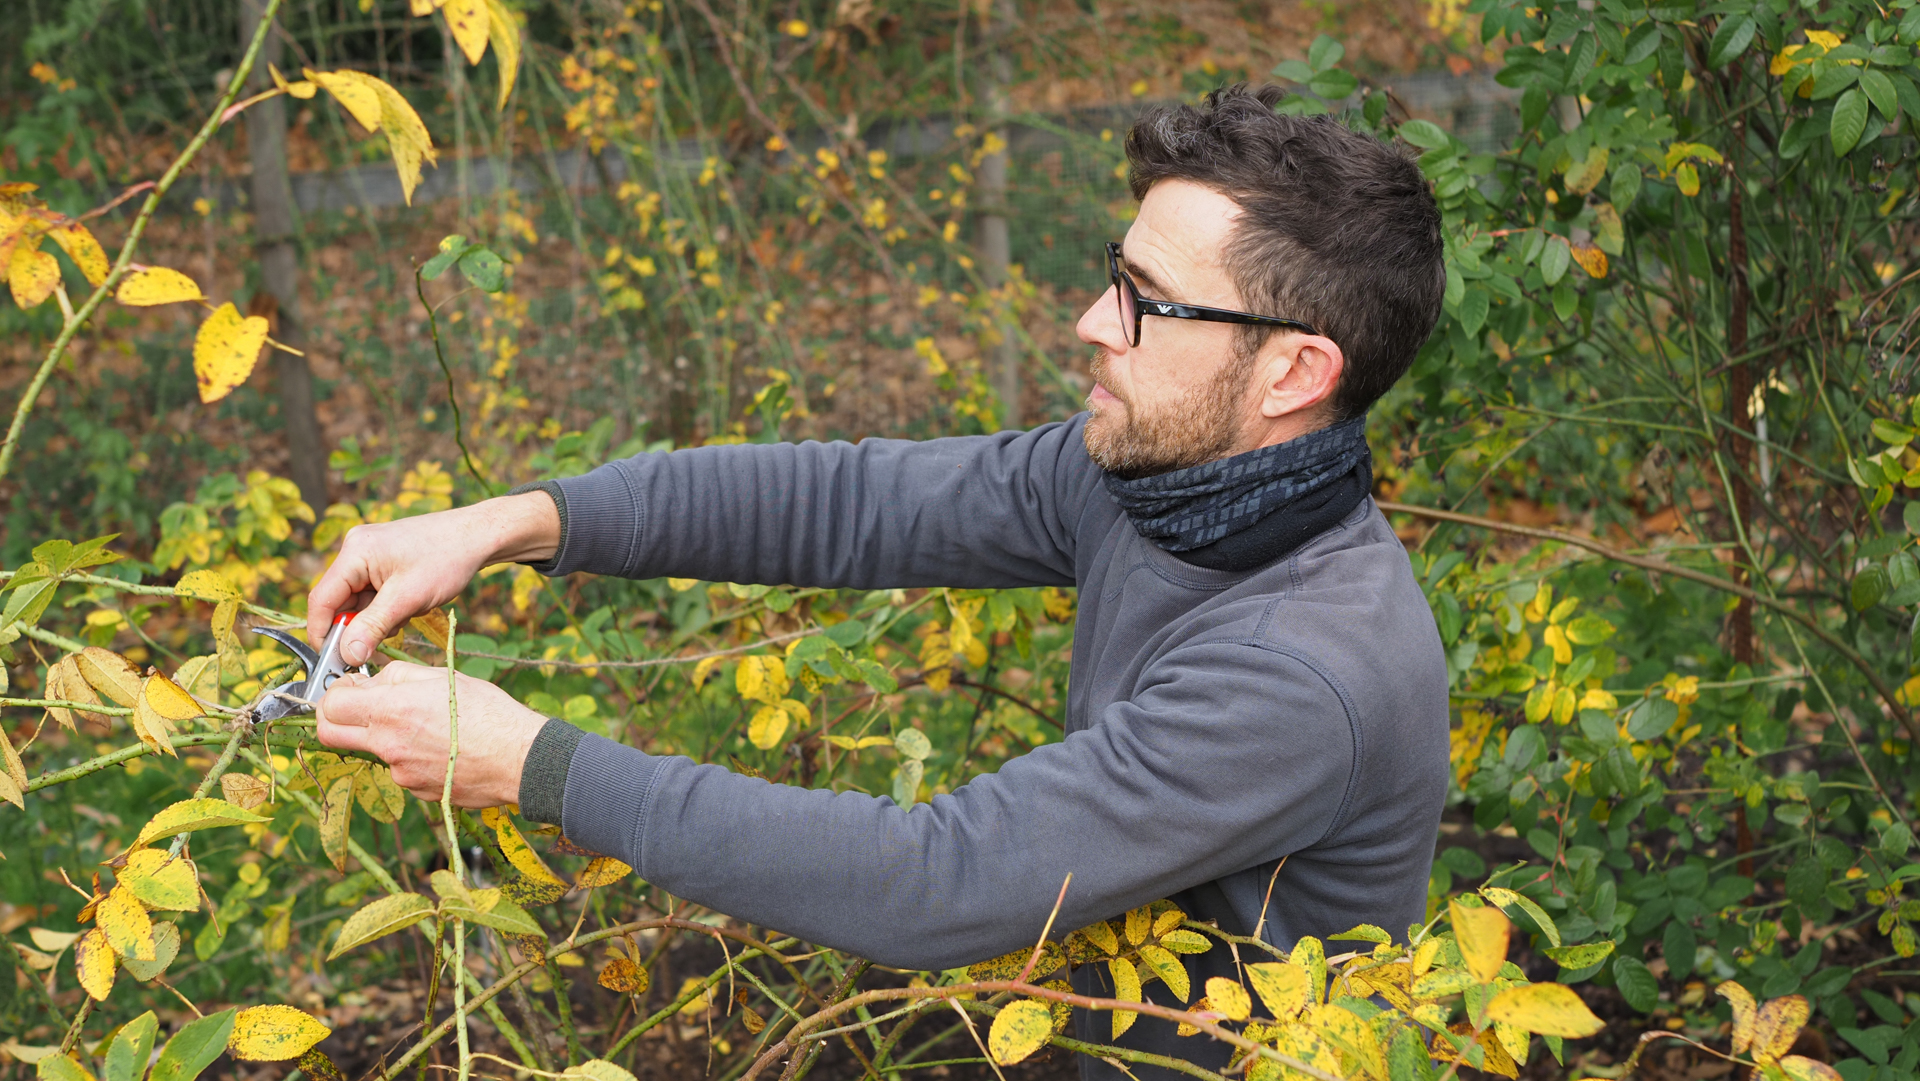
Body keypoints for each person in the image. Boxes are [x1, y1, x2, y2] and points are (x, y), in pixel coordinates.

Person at [310, 84, 1450, 1078]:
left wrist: (528, 761)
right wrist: (513, 522)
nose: (1093, 321)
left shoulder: (1304, 672)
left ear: (1295, 371)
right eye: (1116, 273)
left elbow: (933, 881)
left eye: (1148, 301)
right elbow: (854, 505)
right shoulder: (1161, 474)